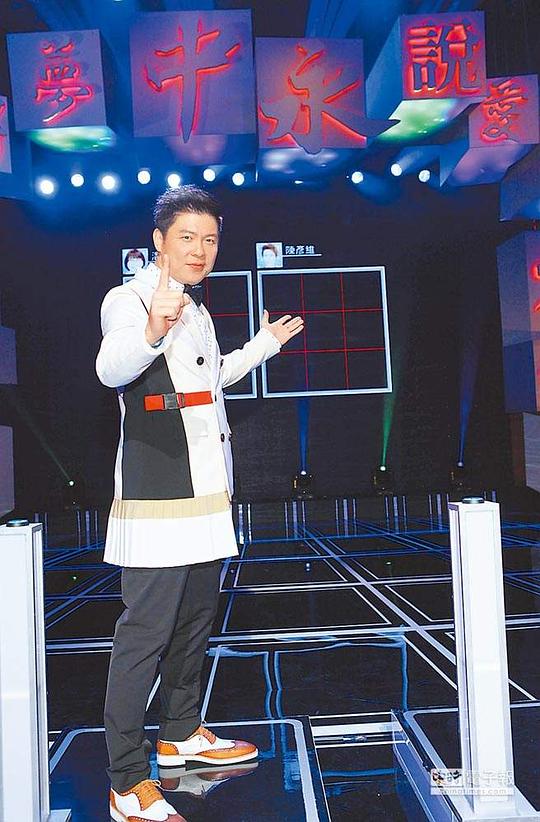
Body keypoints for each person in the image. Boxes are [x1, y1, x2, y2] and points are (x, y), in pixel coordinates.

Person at [96, 185, 304, 822]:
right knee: (144, 637)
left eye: (210, 239)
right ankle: (126, 780)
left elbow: (210, 383)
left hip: (208, 493)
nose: (200, 249)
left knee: (194, 626)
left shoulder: (198, 309)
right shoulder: (129, 299)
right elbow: (112, 368)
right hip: (159, 492)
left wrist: (262, 346)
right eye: (187, 237)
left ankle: (181, 734)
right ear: (158, 241)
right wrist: (152, 329)